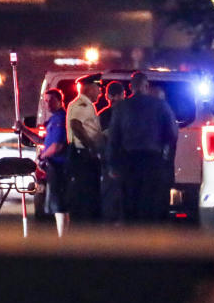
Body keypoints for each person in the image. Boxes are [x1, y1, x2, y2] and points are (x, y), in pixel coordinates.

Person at [106, 72, 179, 224]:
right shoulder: (160, 105)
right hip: (153, 162)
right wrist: (165, 154)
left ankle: (131, 242)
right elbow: (172, 133)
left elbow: (113, 138)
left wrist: (112, 165)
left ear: (131, 88)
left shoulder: (121, 107)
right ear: (146, 86)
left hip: (129, 162)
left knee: (130, 204)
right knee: (151, 204)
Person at [16, 89, 70, 236]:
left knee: (59, 206)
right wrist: (23, 130)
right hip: (53, 168)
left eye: (51, 100)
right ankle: (62, 237)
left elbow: (57, 146)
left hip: (59, 167)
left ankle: (63, 239)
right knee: (57, 207)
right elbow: (42, 141)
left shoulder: (61, 119)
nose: (47, 104)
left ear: (60, 100)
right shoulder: (53, 120)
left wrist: (42, 157)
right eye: (45, 101)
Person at [66, 75, 103, 222]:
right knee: (87, 196)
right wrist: (92, 147)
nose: (99, 93)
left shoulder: (79, 104)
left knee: (84, 195)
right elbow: (76, 125)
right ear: (88, 88)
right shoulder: (83, 105)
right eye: (97, 89)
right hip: (84, 156)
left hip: (80, 154)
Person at [98, 81, 125, 223]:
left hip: (107, 162)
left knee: (108, 199)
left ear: (107, 96)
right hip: (125, 162)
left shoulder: (102, 115)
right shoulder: (128, 113)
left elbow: (97, 139)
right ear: (123, 95)